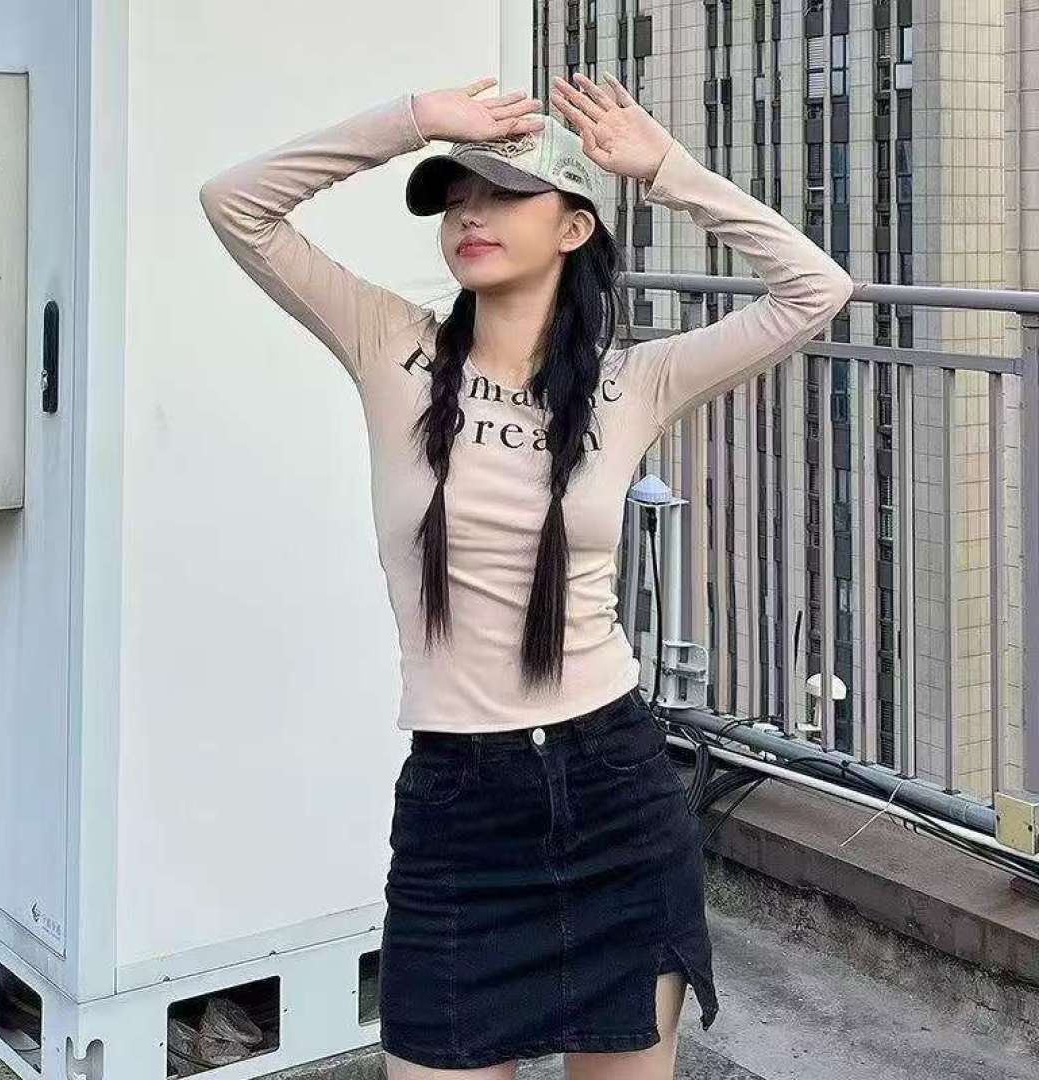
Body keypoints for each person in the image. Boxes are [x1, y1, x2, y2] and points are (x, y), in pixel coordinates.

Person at [199, 73, 853, 1080]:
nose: (471, 214)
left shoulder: (634, 382)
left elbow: (817, 290)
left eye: (505, 194)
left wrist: (668, 171)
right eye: (457, 196)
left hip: (616, 791)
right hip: (459, 809)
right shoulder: (392, 345)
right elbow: (236, 204)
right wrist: (411, 121)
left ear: (574, 227)